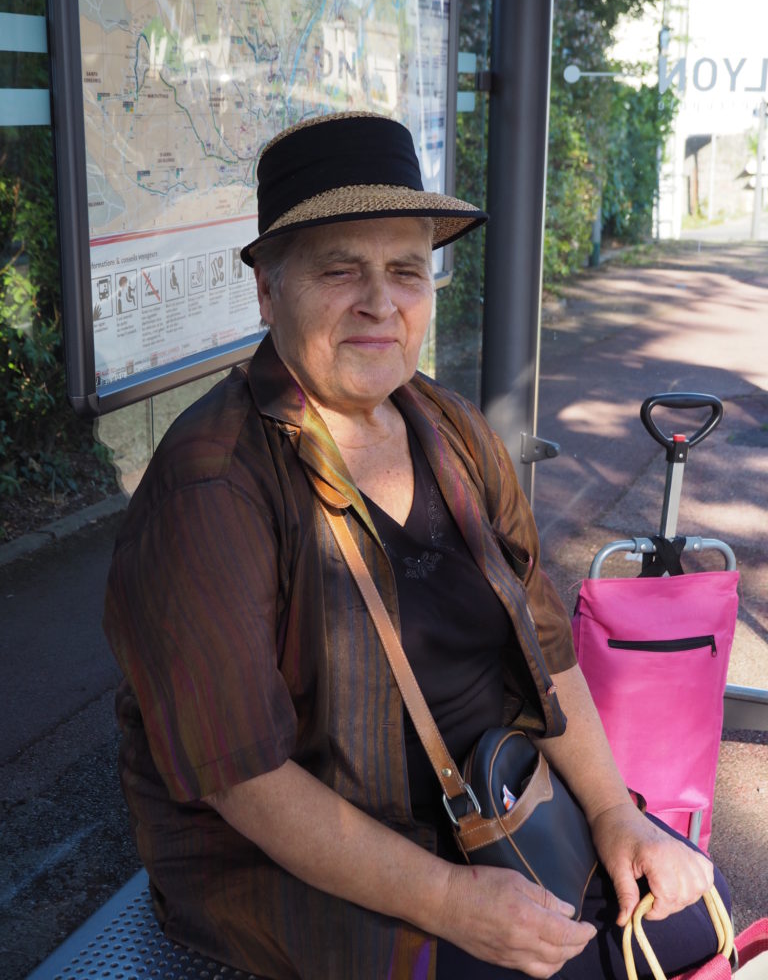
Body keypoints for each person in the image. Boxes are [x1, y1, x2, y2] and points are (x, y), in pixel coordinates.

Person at [104, 111, 730, 980]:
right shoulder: (211, 485)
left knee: (693, 915)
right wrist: (450, 903)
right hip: (305, 864)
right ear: (266, 291)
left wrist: (617, 815)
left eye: (406, 270)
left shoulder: (450, 427)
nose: (379, 302)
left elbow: (547, 650)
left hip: (502, 800)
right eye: (339, 270)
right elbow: (239, 776)